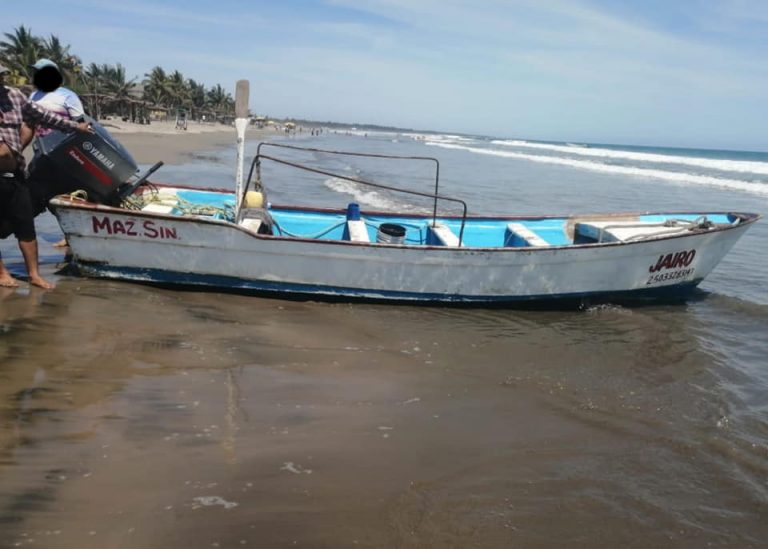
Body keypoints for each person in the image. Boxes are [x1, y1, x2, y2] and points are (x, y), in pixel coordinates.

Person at [0, 62, 91, 289]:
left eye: (2, 76)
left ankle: (34, 275)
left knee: (25, 224)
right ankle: (2, 274)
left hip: (15, 173)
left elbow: (44, 116)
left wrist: (75, 127)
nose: (1, 80)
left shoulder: (15, 96)